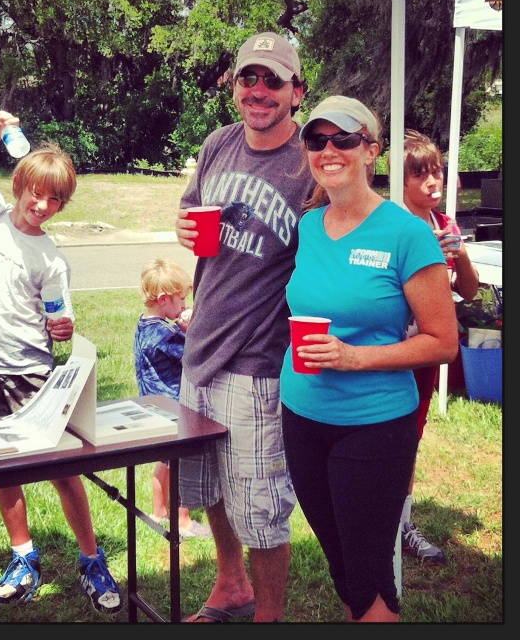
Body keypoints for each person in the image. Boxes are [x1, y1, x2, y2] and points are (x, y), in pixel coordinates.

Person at [279, 95, 459, 622]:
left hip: (374, 426)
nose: (329, 150)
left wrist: (354, 357)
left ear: (372, 151)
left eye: (344, 139)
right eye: (317, 140)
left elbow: (443, 342)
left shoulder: (405, 233)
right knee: (345, 568)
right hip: (302, 416)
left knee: (365, 575)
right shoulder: (309, 226)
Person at [0, 115, 122, 614]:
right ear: (19, 184)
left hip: (29, 372)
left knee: (62, 468)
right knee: (1, 465)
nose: (41, 206)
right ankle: (24, 556)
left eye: (54, 200)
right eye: (35, 193)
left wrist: (62, 328)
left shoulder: (51, 259)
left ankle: (91, 557)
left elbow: (58, 318)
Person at [175, 31, 315, 623]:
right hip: (200, 343)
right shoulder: (217, 144)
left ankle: (270, 616)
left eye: (273, 81)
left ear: (296, 92)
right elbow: (190, 208)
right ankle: (231, 583)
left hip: (258, 359)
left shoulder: (312, 161)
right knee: (207, 486)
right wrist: (185, 228)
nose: (258, 92)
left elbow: (341, 234)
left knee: (260, 502)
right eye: (248, 79)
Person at [400, 129, 479, 563]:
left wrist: (460, 254)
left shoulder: (444, 225)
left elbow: (469, 292)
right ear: (403, 181)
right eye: (421, 175)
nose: (433, 182)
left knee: (412, 437)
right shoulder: (392, 224)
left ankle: (402, 523)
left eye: (438, 173)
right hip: (394, 352)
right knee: (386, 437)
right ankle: (379, 520)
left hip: (427, 352)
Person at [133, 257, 212, 541]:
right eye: (181, 300)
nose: (184, 305)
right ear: (164, 299)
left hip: (154, 405)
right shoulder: (166, 335)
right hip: (174, 407)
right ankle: (183, 521)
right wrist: (190, 331)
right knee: (183, 463)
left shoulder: (146, 325)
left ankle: (159, 511)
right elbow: (194, 356)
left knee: (165, 461)